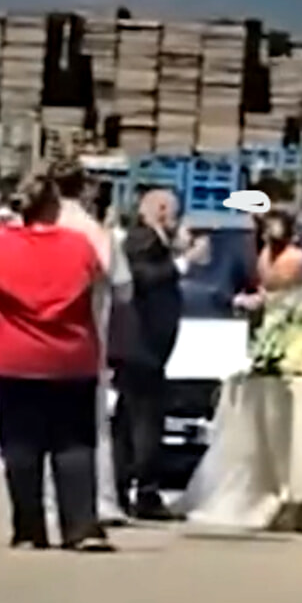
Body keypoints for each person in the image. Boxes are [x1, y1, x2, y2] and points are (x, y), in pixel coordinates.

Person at [0, 173, 111, 552]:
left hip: (8, 357)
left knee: (20, 443)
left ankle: (29, 529)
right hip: (70, 358)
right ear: (54, 207)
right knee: (74, 443)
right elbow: (99, 287)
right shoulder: (78, 246)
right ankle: (81, 527)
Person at [49, 158, 133, 526]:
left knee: (41, 425)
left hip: (34, 338)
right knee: (90, 425)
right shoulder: (94, 231)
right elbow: (124, 286)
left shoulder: (35, 226)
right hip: (85, 336)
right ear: (84, 188)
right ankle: (98, 501)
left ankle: (48, 503)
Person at [114, 188, 207, 521]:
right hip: (141, 345)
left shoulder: (155, 242)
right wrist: (183, 262)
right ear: (162, 210)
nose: (177, 221)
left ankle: (127, 487)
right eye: (175, 214)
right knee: (143, 421)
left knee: (132, 420)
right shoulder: (142, 239)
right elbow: (142, 279)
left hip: (149, 346)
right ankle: (145, 492)